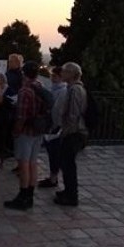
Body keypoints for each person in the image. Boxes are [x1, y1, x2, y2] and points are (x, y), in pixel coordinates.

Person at [4, 61, 45, 211]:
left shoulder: (24, 91)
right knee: (33, 163)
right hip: (38, 130)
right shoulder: (40, 86)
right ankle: (30, 196)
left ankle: (22, 196)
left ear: (23, 73)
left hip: (26, 132)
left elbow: (21, 116)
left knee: (24, 164)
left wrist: (16, 131)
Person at [54, 62, 88, 206]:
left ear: (71, 74)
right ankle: (68, 191)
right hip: (74, 131)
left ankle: (71, 195)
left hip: (73, 132)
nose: (62, 74)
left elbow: (73, 114)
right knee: (66, 163)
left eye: (64, 71)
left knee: (68, 165)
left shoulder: (75, 90)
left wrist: (65, 131)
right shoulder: (74, 88)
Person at [38, 67, 67, 188]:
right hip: (50, 124)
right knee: (51, 152)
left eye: (54, 76)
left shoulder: (63, 90)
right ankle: (52, 177)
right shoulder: (54, 88)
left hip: (57, 125)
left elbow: (58, 109)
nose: (52, 78)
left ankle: (53, 178)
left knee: (55, 152)